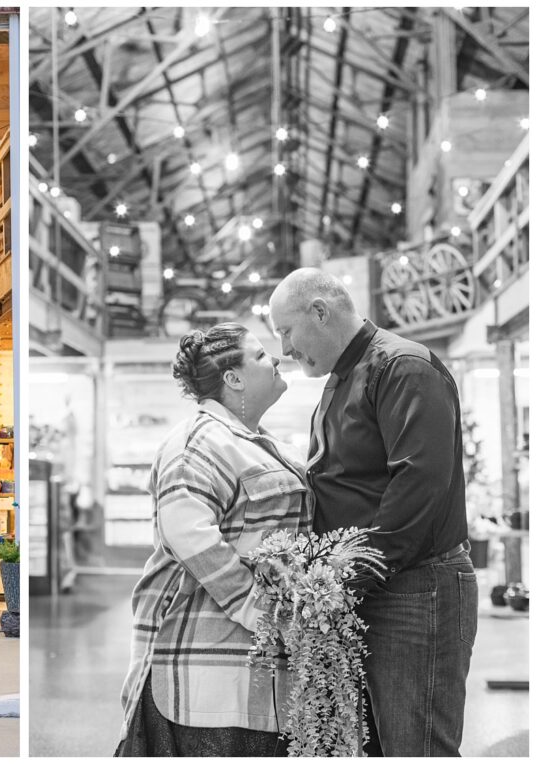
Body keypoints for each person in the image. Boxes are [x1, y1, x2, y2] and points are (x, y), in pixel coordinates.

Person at [269, 268, 477, 756]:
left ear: (319, 312)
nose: (285, 350)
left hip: (415, 590)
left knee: (416, 747)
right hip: (380, 588)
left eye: (286, 331)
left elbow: (418, 486)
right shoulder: (343, 377)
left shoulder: (402, 368)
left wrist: (342, 577)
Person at [117, 323, 311, 757]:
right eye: (261, 355)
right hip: (206, 683)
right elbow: (192, 538)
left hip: (247, 677)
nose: (276, 358)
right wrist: (268, 616)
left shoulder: (253, 442)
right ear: (234, 378)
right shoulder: (197, 445)